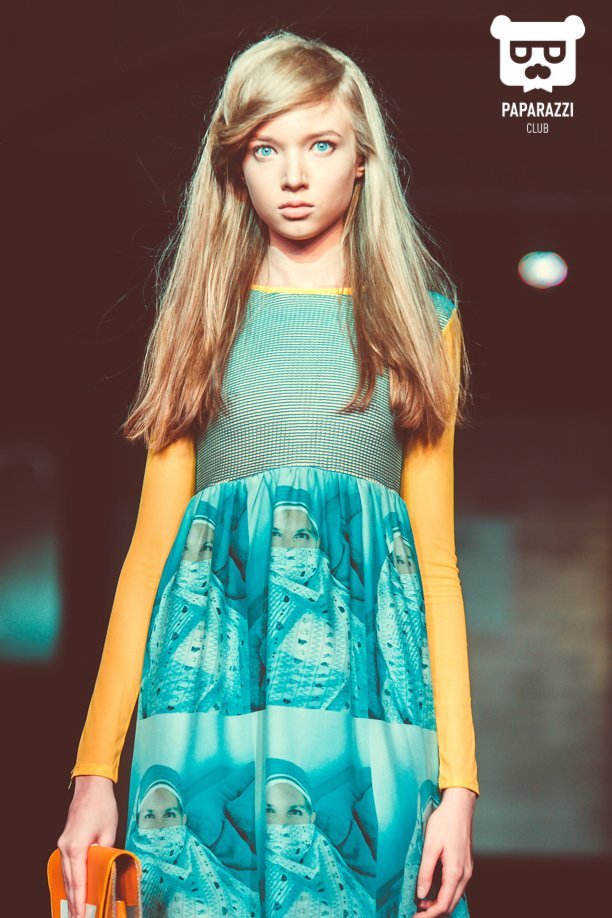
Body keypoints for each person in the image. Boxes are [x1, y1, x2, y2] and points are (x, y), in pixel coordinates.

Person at [57, 29, 480, 918]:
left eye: (320, 145)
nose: (293, 176)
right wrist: (94, 772)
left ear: (361, 162)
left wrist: (460, 789)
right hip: (204, 705)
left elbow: (436, 567)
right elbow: (147, 558)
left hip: (371, 708)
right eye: (265, 149)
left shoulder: (421, 324)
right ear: (235, 168)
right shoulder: (198, 324)